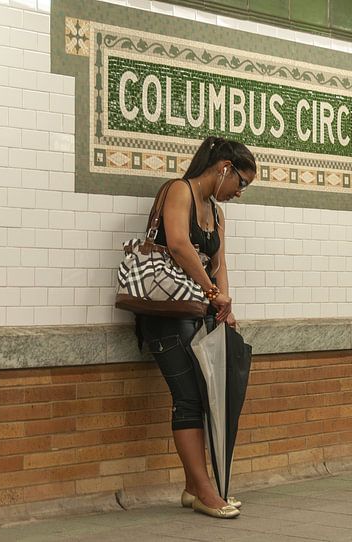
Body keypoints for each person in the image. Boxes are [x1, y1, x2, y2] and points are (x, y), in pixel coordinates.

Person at [138, 136, 256, 519]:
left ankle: (194, 487)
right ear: (224, 168)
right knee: (188, 397)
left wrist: (226, 302)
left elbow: (219, 263)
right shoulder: (178, 191)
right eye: (241, 183)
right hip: (166, 315)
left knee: (203, 398)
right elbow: (177, 244)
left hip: (198, 311)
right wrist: (211, 291)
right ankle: (204, 490)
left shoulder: (217, 213)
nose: (240, 193)